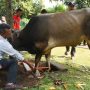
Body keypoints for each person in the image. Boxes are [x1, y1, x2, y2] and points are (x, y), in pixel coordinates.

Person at [0, 23, 24, 89]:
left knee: (6, 60)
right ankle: (10, 84)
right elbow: (15, 54)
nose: (11, 32)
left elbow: (12, 50)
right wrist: (30, 64)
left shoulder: (3, 39)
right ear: (3, 32)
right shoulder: (2, 42)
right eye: (9, 31)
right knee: (13, 62)